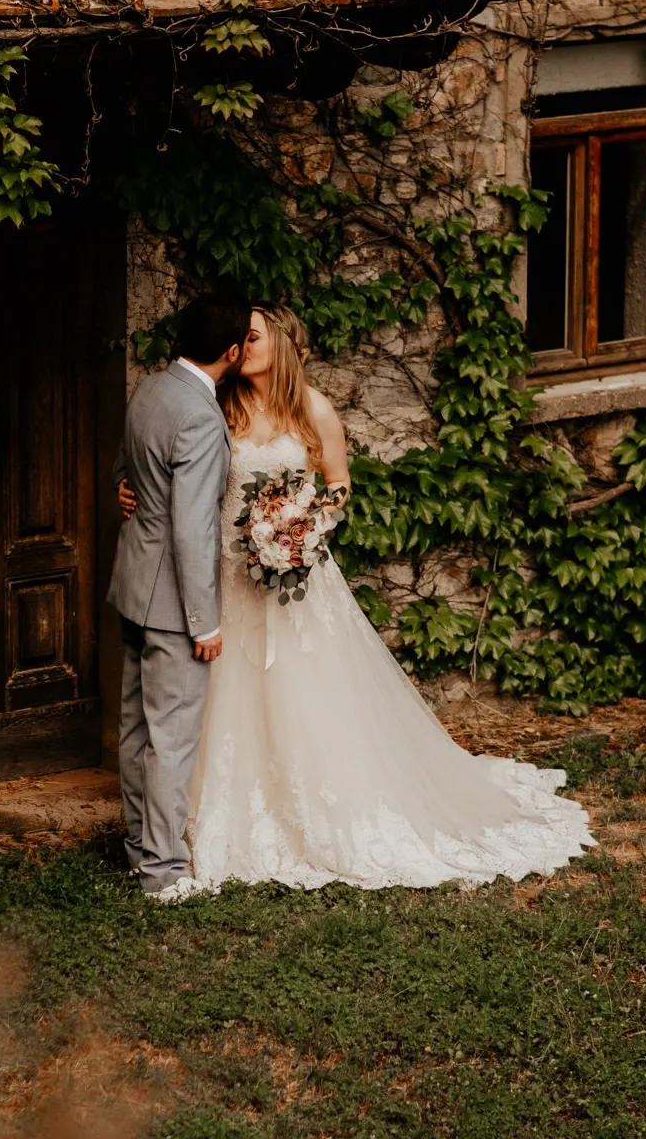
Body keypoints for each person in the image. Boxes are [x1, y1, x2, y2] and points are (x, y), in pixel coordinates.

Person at [121, 305, 593, 891]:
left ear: (284, 344)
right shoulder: (218, 406)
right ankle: (187, 823)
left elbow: (338, 484)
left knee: (308, 697)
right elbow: (176, 472)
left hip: (295, 577)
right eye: (239, 339)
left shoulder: (313, 409)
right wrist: (132, 491)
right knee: (209, 701)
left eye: (253, 337)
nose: (241, 347)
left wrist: (304, 523)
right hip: (225, 578)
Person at [106, 292, 250, 901]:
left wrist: (124, 490)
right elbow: (194, 528)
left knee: (137, 728)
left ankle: (139, 845)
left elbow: (126, 469)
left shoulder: (151, 390)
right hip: (170, 604)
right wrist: (205, 623)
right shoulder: (198, 414)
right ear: (234, 352)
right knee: (171, 737)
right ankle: (163, 872)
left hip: (132, 585)